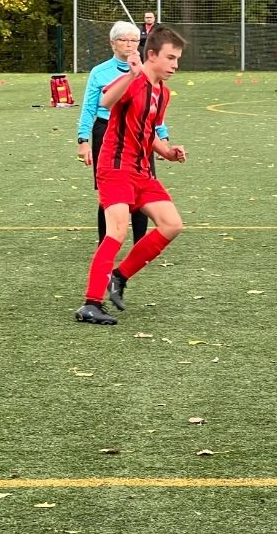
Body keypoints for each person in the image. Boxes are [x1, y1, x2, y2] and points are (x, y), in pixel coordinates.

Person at [75, 24, 188, 326]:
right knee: (117, 231)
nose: (175, 65)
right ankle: (90, 304)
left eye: (177, 59)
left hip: (142, 171)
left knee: (172, 224)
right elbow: (105, 101)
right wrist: (131, 74)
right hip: (115, 168)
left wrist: (168, 152)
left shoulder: (162, 93)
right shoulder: (133, 82)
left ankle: (119, 276)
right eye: (171, 58)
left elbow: (149, 131)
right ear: (151, 55)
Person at [78, 21, 172, 245]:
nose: (130, 44)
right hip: (106, 133)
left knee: (141, 189)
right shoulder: (99, 72)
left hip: (140, 133)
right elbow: (89, 108)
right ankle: (105, 245)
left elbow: (154, 106)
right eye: (124, 40)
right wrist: (83, 140)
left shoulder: (148, 71)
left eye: (134, 40)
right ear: (113, 43)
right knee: (108, 195)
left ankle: (139, 245)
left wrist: (164, 137)